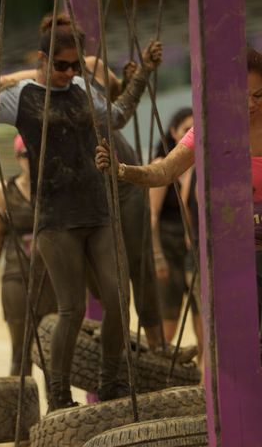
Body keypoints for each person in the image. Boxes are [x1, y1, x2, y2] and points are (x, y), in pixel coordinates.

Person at [0, 13, 162, 410]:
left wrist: (142, 73)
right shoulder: (20, 96)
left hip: (97, 211)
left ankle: (110, 381)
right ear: (43, 59)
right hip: (56, 220)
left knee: (117, 297)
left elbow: (119, 116)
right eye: (61, 65)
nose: (69, 73)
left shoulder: (82, 89)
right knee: (71, 309)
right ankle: (58, 395)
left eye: (76, 65)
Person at [96, 47, 262, 351]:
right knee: (230, 345)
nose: (251, 104)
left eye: (259, 95)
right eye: (243, 94)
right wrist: (121, 170)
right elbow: (163, 171)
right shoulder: (210, 127)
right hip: (226, 255)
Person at [0, 135, 56, 376]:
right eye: (26, 154)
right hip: (16, 277)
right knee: (20, 352)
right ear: (17, 157)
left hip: (51, 278)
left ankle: (56, 410)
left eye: (35, 154)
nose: (31, 160)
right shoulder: (4, 191)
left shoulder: (53, 189)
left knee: (52, 354)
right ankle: (20, 410)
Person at [148, 108, 202, 362]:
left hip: (193, 250)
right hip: (168, 249)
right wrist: (157, 255)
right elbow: (152, 217)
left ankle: (205, 375)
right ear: (173, 133)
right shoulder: (162, 166)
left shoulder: (201, 168)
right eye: (185, 130)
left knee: (202, 315)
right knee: (169, 318)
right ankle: (158, 369)